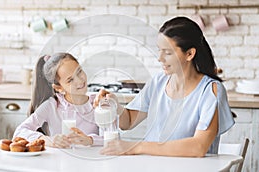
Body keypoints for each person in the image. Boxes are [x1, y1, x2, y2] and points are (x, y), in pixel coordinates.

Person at [95, 16, 234, 157]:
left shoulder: (211, 91)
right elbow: (129, 121)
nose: (160, 58)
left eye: (168, 52)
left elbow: (198, 147)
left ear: (189, 54)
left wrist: (137, 147)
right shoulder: (158, 82)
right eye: (159, 50)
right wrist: (114, 105)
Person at [13, 53, 102, 148]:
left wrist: (90, 140)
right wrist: (50, 141)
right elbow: (20, 132)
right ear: (59, 88)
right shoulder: (52, 106)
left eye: (79, 71)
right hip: (59, 161)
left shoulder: (98, 103)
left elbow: (112, 137)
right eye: (70, 80)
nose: (79, 80)